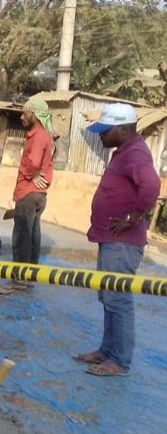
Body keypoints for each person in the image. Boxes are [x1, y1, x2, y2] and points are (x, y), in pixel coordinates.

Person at [73, 104, 159, 377]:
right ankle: (107, 351)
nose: (101, 136)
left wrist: (135, 216)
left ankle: (119, 361)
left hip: (123, 242)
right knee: (109, 297)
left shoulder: (135, 154)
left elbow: (151, 185)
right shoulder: (124, 152)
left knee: (118, 299)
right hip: (111, 238)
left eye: (105, 131)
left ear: (123, 130)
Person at [4, 97, 54, 291]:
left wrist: (32, 175)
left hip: (29, 192)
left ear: (34, 114)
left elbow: (33, 162)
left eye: (25, 113)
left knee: (22, 235)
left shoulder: (39, 135)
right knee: (33, 235)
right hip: (38, 194)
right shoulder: (44, 135)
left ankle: (20, 279)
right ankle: (30, 276)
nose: (22, 116)